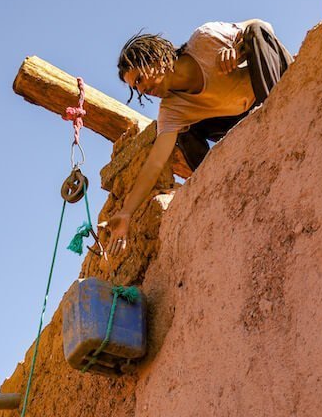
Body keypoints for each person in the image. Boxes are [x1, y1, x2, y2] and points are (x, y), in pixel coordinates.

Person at [104, 21, 292, 254]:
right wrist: (125, 213)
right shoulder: (171, 109)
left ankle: (282, 113)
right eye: (135, 87)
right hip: (241, 116)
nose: (141, 90)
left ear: (155, 58)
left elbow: (264, 28)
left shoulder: (206, 40)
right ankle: (220, 186)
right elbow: (154, 164)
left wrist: (239, 49)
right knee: (182, 133)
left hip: (274, 82)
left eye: (140, 79)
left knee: (254, 33)